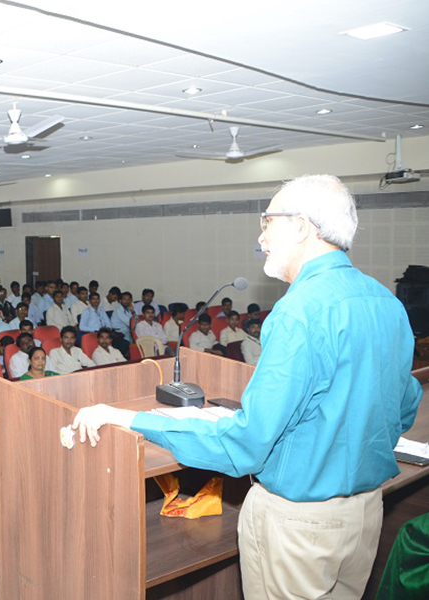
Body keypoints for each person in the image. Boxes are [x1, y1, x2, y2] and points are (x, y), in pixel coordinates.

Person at [72, 174, 423, 600]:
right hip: (364, 513)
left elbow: (247, 444)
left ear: (301, 226)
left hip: (300, 524)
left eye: (267, 222)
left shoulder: (299, 311)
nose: (261, 238)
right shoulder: (386, 302)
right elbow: (403, 406)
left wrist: (132, 419)